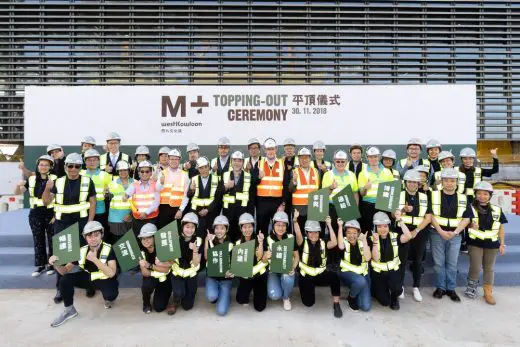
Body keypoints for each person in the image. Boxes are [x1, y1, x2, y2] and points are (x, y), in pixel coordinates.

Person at [42, 152, 97, 304]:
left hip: (82, 222)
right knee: (62, 256)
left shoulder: (87, 181)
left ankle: (88, 285)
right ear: (65, 167)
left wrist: (90, 223)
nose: (73, 169)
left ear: (81, 167)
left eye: (77, 166)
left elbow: (93, 202)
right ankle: (60, 288)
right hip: (62, 224)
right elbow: (46, 202)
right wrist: (47, 188)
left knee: (85, 254)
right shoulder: (57, 182)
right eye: (70, 166)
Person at [48, 221, 118, 327]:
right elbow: (64, 271)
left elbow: (112, 273)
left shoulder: (109, 248)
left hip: (106, 279)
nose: (93, 238)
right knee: (64, 280)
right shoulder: (81, 251)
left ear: (102, 234)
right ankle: (69, 310)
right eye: (89, 236)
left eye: (96, 235)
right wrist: (56, 264)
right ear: (85, 237)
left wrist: (95, 259)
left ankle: (108, 298)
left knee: (110, 296)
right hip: (89, 278)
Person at [430, 168, 472, 302]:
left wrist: (455, 232)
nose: (449, 183)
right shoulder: (434, 195)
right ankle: (440, 287)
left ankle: (451, 289)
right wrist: (441, 231)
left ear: (456, 182)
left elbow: (467, 218)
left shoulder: (463, 198)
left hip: (455, 235)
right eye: (446, 180)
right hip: (437, 233)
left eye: (452, 181)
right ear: (442, 182)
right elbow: (430, 216)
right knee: (438, 263)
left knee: (452, 263)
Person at [464, 181, 507, 305]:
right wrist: (470, 225)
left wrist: (502, 243)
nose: (482, 196)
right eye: (479, 193)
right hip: (475, 242)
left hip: (492, 244)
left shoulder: (497, 210)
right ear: (475, 194)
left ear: (490, 195)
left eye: (485, 194)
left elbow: (501, 228)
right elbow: (464, 223)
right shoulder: (470, 208)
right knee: (476, 267)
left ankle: (487, 293)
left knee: (489, 268)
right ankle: (471, 287)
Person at [14, 155, 57, 277]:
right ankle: (40, 265)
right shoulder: (31, 179)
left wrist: (55, 215)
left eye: (46, 165)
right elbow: (17, 192)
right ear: (38, 166)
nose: (43, 167)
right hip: (35, 213)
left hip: (50, 213)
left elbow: (58, 199)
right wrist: (18, 185)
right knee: (38, 240)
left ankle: (51, 264)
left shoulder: (55, 179)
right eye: (41, 164)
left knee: (52, 240)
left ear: (51, 167)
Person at [293, 215, 342, 318]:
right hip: (306, 276)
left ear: (319, 232)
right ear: (306, 233)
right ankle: (307, 290)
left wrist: (329, 224)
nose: (313, 234)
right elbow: (297, 233)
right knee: (308, 303)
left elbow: (334, 242)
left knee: (334, 275)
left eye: (316, 232)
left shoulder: (323, 242)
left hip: (320, 274)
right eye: (310, 232)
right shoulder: (302, 242)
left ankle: (336, 304)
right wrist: (295, 221)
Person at [396, 169, 432, 302]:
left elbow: (428, 218)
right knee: (402, 259)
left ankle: (416, 287)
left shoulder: (424, 196)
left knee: (417, 260)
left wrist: (416, 231)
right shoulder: (398, 195)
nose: (412, 184)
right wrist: (402, 210)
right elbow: (392, 215)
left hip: (419, 232)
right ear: (405, 182)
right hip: (402, 230)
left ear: (418, 183)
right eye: (409, 182)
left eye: (414, 182)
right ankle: (400, 287)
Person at [370, 211, 413, 310]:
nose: (383, 229)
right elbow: (375, 258)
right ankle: (377, 291)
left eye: (385, 226)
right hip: (379, 273)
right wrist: (375, 242)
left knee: (397, 289)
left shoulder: (395, 236)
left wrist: (400, 220)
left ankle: (394, 297)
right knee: (384, 302)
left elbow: (409, 236)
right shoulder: (371, 238)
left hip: (393, 271)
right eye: (379, 226)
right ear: (375, 227)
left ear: (388, 226)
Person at [168, 212, 203, 315]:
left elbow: (196, 264)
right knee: (179, 293)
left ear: (196, 228)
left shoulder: (198, 240)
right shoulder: (175, 238)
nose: (189, 230)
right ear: (182, 226)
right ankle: (175, 299)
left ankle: (189, 293)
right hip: (177, 273)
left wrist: (195, 250)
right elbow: (169, 259)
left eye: (192, 227)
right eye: (187, 226)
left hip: (190, 274)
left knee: (187, 306)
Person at [321, 149, 359, 240]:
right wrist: (331, 188)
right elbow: (323, 195)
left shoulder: (351, 175)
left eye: (342, 161)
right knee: (333, 233)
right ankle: (335, 254)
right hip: (332, 208)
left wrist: (355, 210)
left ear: (346, 162)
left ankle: (346, 254)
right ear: (334, 161)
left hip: (348, 208)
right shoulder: (327, 175)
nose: (340, 163)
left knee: (347, 234)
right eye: (338, 161)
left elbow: (355, 194)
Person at [265, 211, 299, 311]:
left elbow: (296, 257)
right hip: (273, 271)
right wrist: (266, 256)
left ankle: (286, 297)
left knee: (287, 278)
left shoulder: (290, 238)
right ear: (273, 225)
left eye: (283, 225)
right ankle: (277, 284)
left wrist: (293, 267)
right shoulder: (268, 239)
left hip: (286, 269)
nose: (281, 228)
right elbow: (263, 260)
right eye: (278, 225)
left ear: (287, 226)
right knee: (274, 296)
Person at [255, 138, 289, 236]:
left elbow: (286, 185)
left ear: (276, 149)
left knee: (279, 230)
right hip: (262, 202)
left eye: (272, 149)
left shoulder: (282, 164)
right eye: (268, 149)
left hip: (277, 203)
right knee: (261, 229)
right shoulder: (258, 163)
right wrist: (258, 178)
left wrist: (283, 204)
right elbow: (253, 184)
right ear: (264, 150)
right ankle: (262, 250)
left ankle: (274, 250)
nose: (270, 151)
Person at [234, 213, 268, 312]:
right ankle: (247, 291)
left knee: (260, 307)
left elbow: (260, 257)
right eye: (244, 227)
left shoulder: (259, 239)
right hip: (246, 276)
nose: (247, 230)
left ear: (253, 227)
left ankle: (257, 292)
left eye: (250, 226)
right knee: (240, 300)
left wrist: (261, 243)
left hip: (259, 275)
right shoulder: (238, 243)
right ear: (241, 228)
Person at [337, 219, 372, 312]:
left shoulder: (363, 242)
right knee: (360, 281)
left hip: (362, 274)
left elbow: (368, 258)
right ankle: (351, 297)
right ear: (345, 233)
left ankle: (355, 290)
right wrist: (340, 226)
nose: (351, 236)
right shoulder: (344, 241)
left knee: (365, 306)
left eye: (354, 233)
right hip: (347, 273)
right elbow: (340, 246)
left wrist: (364, 241)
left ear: (359, 233)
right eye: (348, 233)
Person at [357, 146, 394, 232]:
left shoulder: (387, 172)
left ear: (379, 157)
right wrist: (365, 188)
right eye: (370, 157)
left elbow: (392, 192)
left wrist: (393, 209)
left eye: (375, 156)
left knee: (384, 232)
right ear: (367, 158)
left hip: (384, 206)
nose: (373, 159)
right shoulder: (363, 173)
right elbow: (362, 193)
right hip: (368, 206)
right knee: (369, 231)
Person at [138, 223, 172, 314]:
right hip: (151, 278)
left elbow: (166, 270)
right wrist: (146, 266)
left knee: (159, 307)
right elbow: (145, 274)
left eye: (148, 237)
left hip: (164, 280)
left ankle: (162, 294)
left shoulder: (163, 248)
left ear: (155, 237)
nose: (145, 241)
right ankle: (146, 303)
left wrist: (150, 266)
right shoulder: (141, 252)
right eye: (143, 238)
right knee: (146, 285)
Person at [204, 215, 234, 316]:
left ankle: (225, 295)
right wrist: (207, 241)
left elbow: (233, 263)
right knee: (212, 297)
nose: (219, 231)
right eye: (217, 228)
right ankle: (217, 293)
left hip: (225, 279)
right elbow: (206, 257)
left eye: (222, 228)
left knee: (221, 312)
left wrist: (232, 272)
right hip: (212, 277)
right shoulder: (210, 239)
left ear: (227, 229)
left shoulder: (230, 244)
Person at [187, 157, 224, 238]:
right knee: (196, 236)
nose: (204, 170)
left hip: (211, 213)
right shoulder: (193, 179)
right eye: (201, 168)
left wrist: (207, 209)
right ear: (198, 169)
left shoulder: (217, 179)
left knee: (210, 236)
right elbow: (188, 195)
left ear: (209, 166)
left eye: (205, 167)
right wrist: (191, 190)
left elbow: (218, 199)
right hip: (196, 213)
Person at [222, 151, 255, 242]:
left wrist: (250, 215)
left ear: (243, 162)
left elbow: (251, 198)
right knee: (228, 237)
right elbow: (218, 194)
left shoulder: (248, 176)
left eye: (239, 161)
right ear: (231, 162)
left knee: (241, 238)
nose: (237, 163)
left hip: (243, 212)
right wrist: (226, 187)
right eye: (234, 160)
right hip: (228, 213)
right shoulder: (225, 175)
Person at [81, 149, 113, 236]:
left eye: (94, 160)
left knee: (99, 233)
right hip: (84, 209)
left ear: (98, 161)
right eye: (89, 160)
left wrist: (109, 192)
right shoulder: (81, 173)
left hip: (100, 209)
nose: (92, 162)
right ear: (85, 162)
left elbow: (111, 193)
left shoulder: (105, 175)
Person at [289, 147, 320, 234]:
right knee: (299, 233)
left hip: (314, 208)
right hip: (299, 209)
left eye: (306, 157)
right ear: (298, 159)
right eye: (301, 158)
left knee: (313, 232)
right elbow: (290, 189)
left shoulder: (316, 172)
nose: (304, 160)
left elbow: (320, 190)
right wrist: (294, 181)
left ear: (310, 158)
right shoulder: (294, 172)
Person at [124, 160, 160, 235]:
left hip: (152, 219)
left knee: (151, 241)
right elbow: (127, 194)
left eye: (147, 171)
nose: (144, 173)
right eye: (142, 171)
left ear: (151, 173)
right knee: (138, 242)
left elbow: (156, 202)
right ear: (139, 173)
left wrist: (146, 213)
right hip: (137, 220)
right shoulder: (134, 185)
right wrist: (125, 197)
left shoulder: (155, 185)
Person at [156, 149, 189, 229]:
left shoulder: (185, 175)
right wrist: (161, 182)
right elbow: (157, 190)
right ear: (168, 160)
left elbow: (186, 195)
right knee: (163, 232)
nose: (174, 161)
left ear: (179, 160)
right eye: (172, 159)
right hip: (163, 209)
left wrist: (181, 210)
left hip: (177, 209)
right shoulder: (162, 172)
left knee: (176, 234)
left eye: (176, 159)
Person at [106, 161, 134, 244]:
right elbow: (107, 198)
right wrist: (106, 194)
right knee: (117, 243)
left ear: (129, 170)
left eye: (125, 170)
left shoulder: (135, 183)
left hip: (131, 217)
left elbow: (138, 201)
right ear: (118, 171)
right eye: (121, 170)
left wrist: (130, 215)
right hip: (115, 219)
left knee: (130, 243)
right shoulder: (112, 183)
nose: (123, 172)